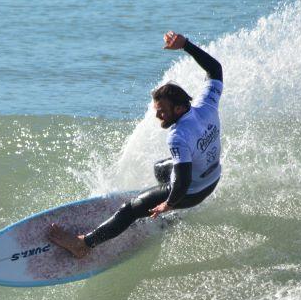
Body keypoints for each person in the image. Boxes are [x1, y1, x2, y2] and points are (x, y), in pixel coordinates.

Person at [47, 31, 223, 258]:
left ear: (178, 109)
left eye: (162, 112)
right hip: (213, 178)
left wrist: (168, 203)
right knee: (161, 168)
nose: (158, 117)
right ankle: (170, 217)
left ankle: (84, 245)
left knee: (129, 210)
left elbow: (183, 180)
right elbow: (215, 69)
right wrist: (186, 45)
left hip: (192, 191)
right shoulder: (206, 104)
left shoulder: (178, 135)